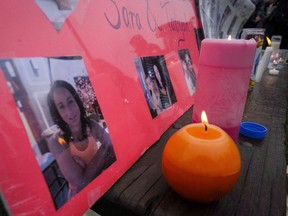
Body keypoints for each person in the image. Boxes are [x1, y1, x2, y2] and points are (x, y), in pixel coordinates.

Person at [46, 80, 116, 200]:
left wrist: (86, 169)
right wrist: (103, 151)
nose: (69, 111)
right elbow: (81, 183)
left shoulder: (92, 125)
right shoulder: (55, 142)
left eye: (70, 102)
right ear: (57, 112)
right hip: (83, 201)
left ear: (77, 101)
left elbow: (114, 151)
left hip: (104, 186)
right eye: (61, 106)